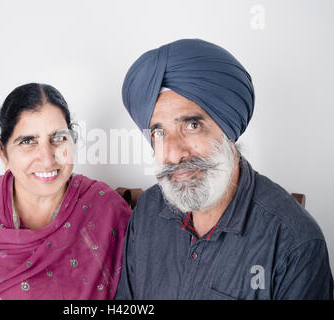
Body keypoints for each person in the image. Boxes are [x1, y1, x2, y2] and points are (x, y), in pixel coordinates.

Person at [115, 39, 333, 300]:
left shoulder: (294, 242)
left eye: (192, 126)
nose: (173, 153)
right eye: (159, 132)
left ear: (228, 128)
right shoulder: (148, 210)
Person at [0, 83, 131, 300]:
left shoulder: (106, 210)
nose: (47, 159)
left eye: (58, 138)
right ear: (3, 153)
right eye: (28, 141)